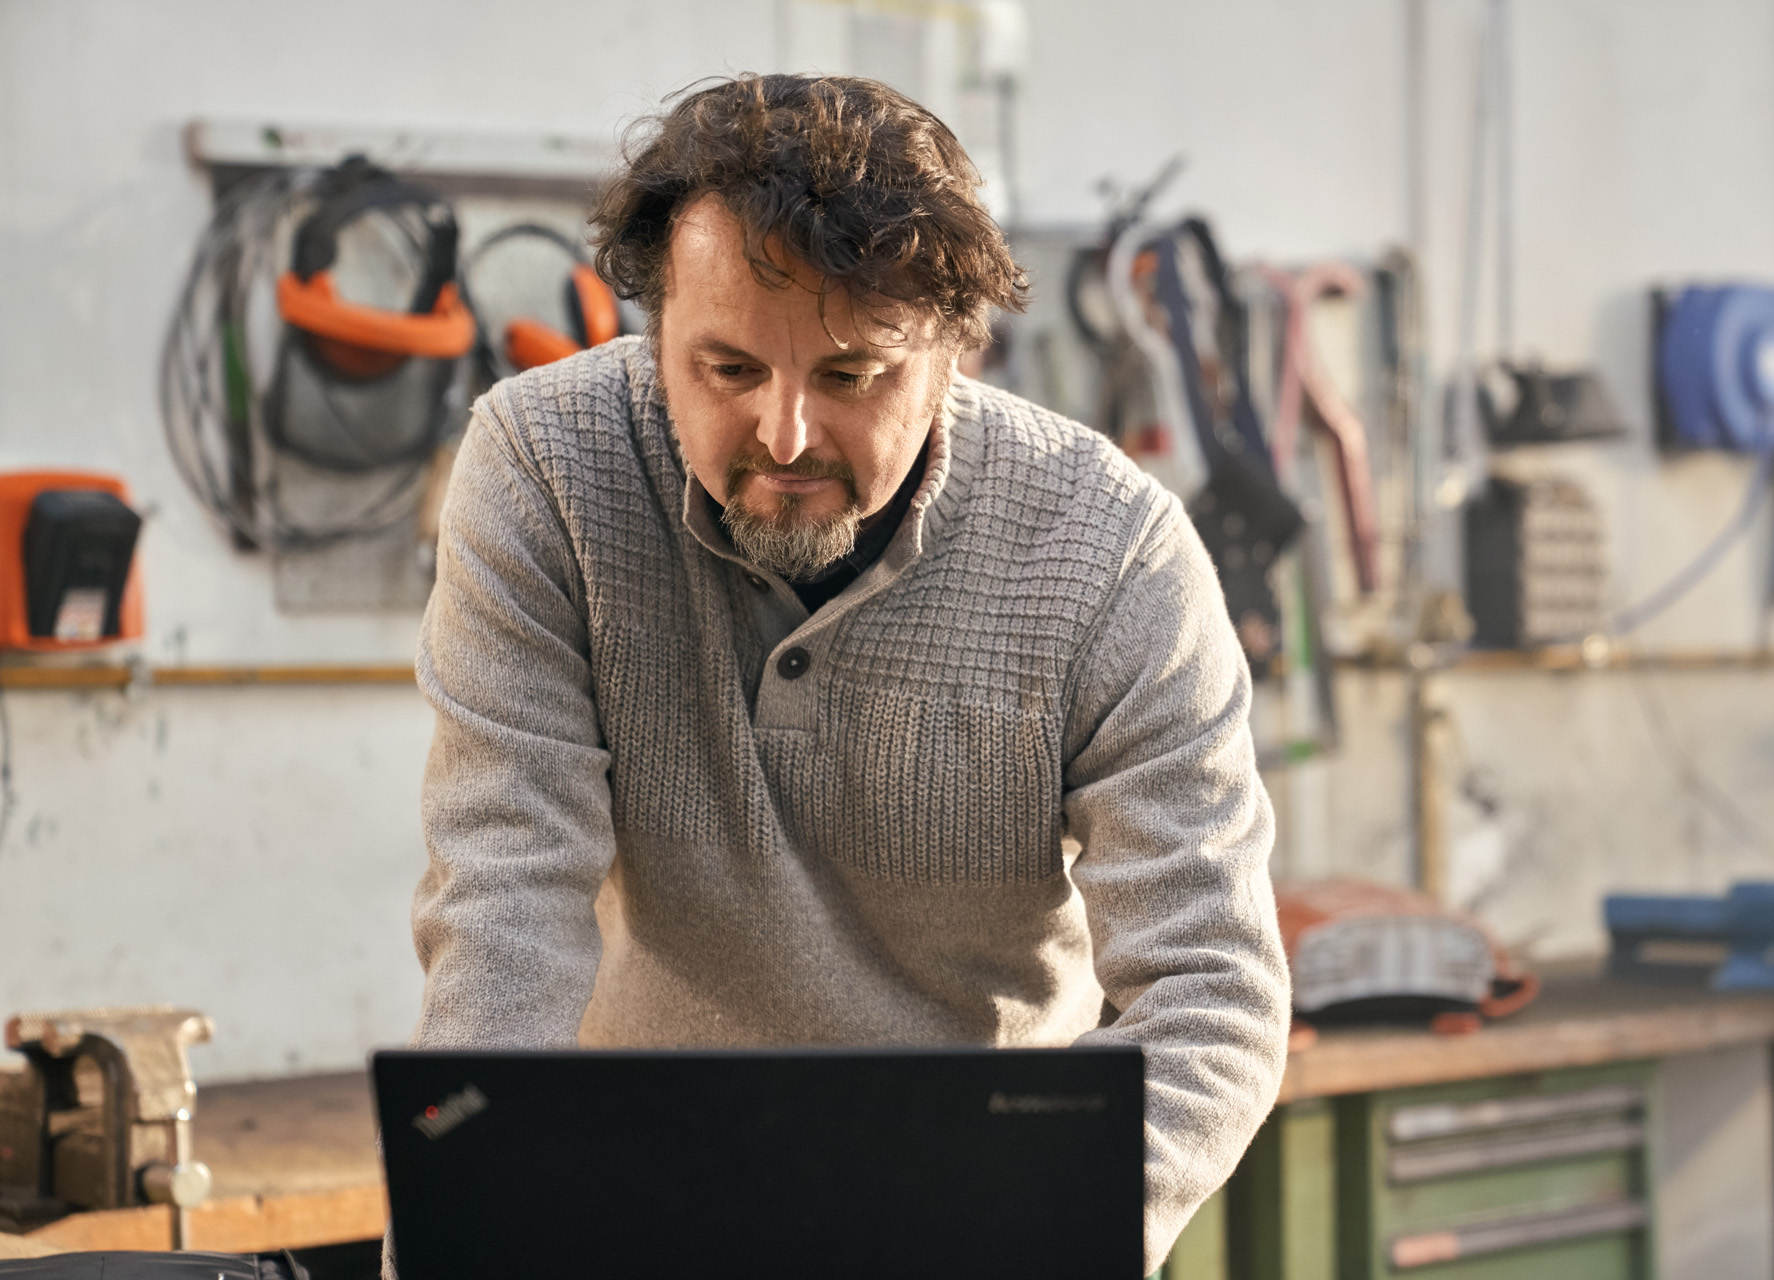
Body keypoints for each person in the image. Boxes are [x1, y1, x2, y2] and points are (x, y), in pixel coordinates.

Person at [407, 72, 1289, 1274]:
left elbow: (1210, 985)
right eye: (725, 370)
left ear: (955, 350)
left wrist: (1041, 1236)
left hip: (985, 1214)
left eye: (850, 376)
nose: (782, 437)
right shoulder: (547, 471)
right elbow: (504, 900)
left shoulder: (1112, 551)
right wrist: (477, 1224)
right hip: (650, 1199)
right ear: (657, 320)